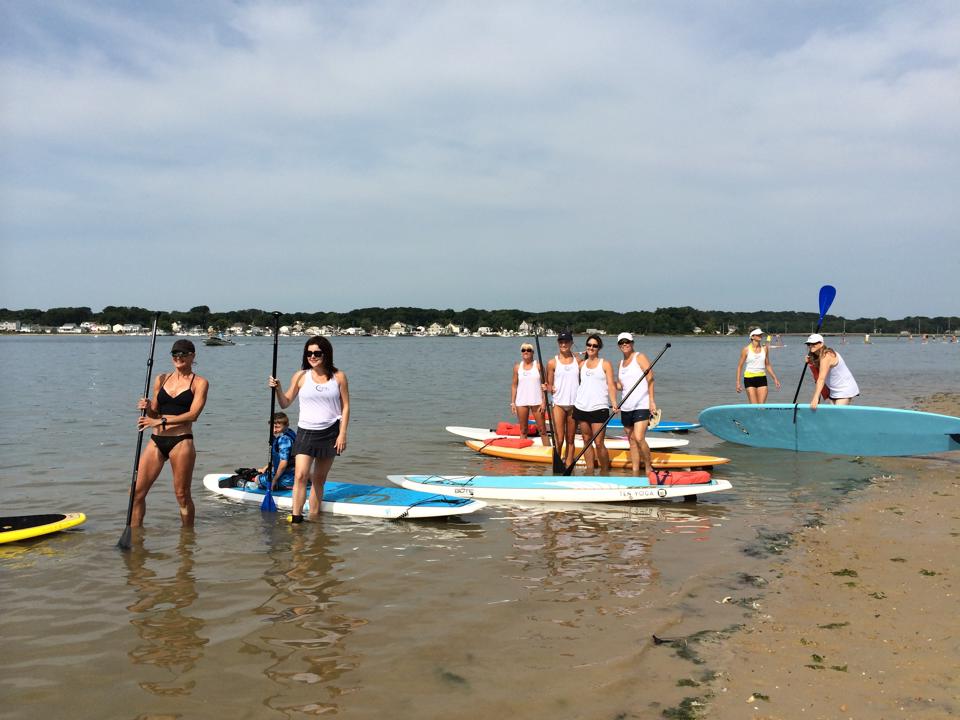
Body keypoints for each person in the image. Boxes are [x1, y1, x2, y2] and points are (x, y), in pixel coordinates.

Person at [270, 336, 350, 522]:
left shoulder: (339, 377)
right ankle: (296, 517)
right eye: (309, 353)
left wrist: (342, 434)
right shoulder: (300, 376)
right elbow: (285, 403)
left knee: (319, 479)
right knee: (300, 475)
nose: (312, 356)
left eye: (317, 353)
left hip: (330, 432)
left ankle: (314, 519)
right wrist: (278, 389)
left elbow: (345, 406)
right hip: (306, 432)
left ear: (326, 354)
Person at [134, 339, 210, 528]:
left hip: (181, 441)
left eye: (183, 354)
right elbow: (154, 412)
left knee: (182, 495)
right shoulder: (161, 378)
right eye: (175, 354)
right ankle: (135, 537)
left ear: (192, 356)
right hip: (156, 440)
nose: (178, 357)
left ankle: (187, 539)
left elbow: (193, 415)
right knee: (136, 493)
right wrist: (148, 408)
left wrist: (161, 420)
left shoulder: (199, 382)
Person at [572, 334, 618, 473]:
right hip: (581, 406)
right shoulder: (581, 364)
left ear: (599, 348)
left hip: (599, 408)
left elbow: (611, 385)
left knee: (598, 443)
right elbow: (565, 359)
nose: (591, 347)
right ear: (586, 347)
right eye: (589, 345)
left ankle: (604, 472)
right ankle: (589, 471)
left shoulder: (605, 364)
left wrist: (614, 403)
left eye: (595, 346)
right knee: (586, 441)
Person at [615, 332, 656, 477]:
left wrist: (652, 401)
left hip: (641, 404)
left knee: (639, 437)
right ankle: (635, 471)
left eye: (627, 342)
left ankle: (649, 467)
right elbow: (621, 386)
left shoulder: (639, 357)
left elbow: (650, 377)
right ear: (619, 346)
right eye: (621, 343)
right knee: (631, 441)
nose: (624, 344)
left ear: (632, 343)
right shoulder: (620, 364)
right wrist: (608, 383)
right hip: (626, 406)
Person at [544, 331, 581, 467]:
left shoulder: (578, 360)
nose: (563, 344)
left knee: (570, 439)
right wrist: (546, 387)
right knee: (559, 439)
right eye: (561, 342)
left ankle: (569, 463)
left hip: (574, 405)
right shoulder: (552, 363)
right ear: (558, 343)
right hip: (559, 404)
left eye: (566, 342)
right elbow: (549, 385)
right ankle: (557, 464)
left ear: (571, 343)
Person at [805, 333, 860, 410]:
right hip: (834, 391)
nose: (811, 345)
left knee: (837, 416)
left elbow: (821, 379)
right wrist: (811, 362)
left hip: (844, 389)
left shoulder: (827, 355)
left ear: (821, 344)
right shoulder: (817, 357)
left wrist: (815, 398)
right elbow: (817, 374)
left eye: (814, 343)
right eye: (809, 344)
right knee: (833, 416)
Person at [249, 412, 297, 491]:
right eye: (272, 427)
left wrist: (274, 480)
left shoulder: (283, 440)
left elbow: (283, 463)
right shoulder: (291, 433)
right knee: (262, 472)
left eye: (277, 427)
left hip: (287, 479)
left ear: (286, 424)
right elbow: (288, 458)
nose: (274, 430)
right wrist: (267, 466)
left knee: (258, 479)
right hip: (294, 473)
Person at [510, 342, 548, 441]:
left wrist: (544, 402)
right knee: (523, 430)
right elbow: (514, 385)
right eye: (523, 350)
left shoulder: (538, 366)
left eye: (528, 350)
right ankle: (522, 451)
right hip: (521, 402)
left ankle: (549, 453)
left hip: (537, 402)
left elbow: (545, 385)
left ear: (533, 352)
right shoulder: (517, 367)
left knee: (542, 430)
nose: (526, 352)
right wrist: (513, 402)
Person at [735, 328, 781, 403]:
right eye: (758, 334)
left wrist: (775, 378)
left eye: (761, 334)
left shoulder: (765, 349)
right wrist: (738, 383)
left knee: (761, 407)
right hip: (749, 379)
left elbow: (768, 365)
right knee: (754, 406)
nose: (760, 336)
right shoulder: (746, 350)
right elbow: (739, 367)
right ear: (752, 337)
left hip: (762, 378)